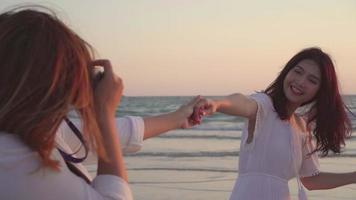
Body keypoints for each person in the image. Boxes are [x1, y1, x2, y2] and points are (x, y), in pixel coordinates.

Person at [0, 6, 200, 200]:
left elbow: (115, 133)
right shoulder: (15, 157)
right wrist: (103, 111)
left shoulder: (28, 133)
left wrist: (179, 117)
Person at [196, 47, 356, 199]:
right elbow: (244, 103)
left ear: (320, 91)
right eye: (298, 72)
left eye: (312, 80)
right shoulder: (265, 105)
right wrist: (218, 104)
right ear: (287, 71)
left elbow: (311, 180)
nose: (300, 82)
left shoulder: (301, 127)